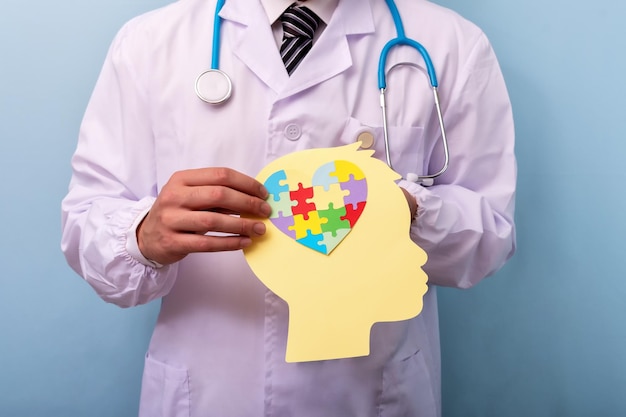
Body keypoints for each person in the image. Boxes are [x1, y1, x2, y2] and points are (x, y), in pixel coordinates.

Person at [61, 0, 516, 416]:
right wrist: (142, 237)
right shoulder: (149, 44)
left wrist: (405, 211)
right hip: (209, 393)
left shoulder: (449, 45)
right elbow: (86, 225)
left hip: (368, 394)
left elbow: (490, 237)